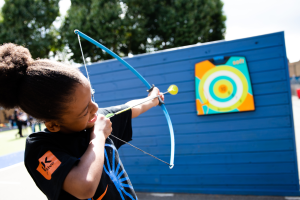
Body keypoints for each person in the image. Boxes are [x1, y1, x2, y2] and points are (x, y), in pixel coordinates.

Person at [0, 43, 164, 200]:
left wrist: (152, 99)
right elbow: (84, 186)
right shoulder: (40, 149)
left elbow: (130, 108)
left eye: (91, 97)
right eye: (85, 109)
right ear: (54, 124)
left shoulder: (95, 119)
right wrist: (99, 136)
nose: (95, 107)